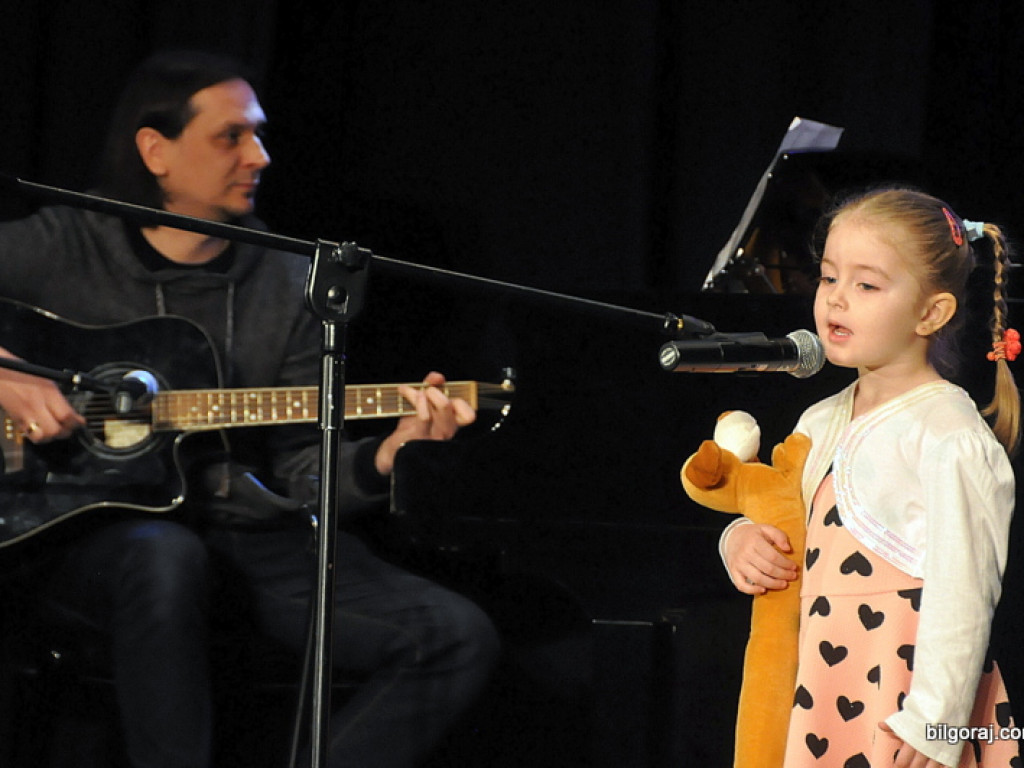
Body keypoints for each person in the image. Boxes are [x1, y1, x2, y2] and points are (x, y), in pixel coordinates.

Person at [0, 50, 499, 768]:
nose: (258, 156)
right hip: (83, 537)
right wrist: (6, 376)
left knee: (456, 635)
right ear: (155, 150)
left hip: (245, 537)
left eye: (259, 134)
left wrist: (387, 456)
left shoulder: (291, 276)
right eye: (230, 136)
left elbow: (300, 466)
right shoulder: (65, 244)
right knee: (163, 557)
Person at [718, 187, 1020, 767]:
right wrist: (739, 540)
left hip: (904, 698)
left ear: (931, 312)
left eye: (866, 285)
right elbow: (784, 521)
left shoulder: (949, 435)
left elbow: (966, 592)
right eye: (829, 278)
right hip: (824, 691)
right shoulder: (821, 418)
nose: (835, 301)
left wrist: (936, 721)